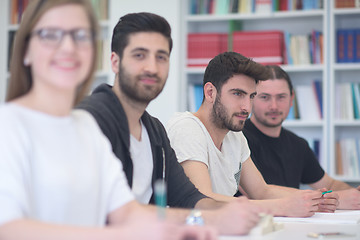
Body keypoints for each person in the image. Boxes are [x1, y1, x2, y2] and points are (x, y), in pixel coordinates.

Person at [0, 1, 217, 239]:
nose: (68, 47)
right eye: (51, 34)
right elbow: (8, 228)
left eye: (81, 36)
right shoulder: (9, 125)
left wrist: (190, 226)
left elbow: (126, 212)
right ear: (25, 50)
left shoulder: (85, 127)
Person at [77, 12, 263, 235]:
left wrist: (233, 211)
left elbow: (187, 198)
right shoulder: (90, 121)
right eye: (139, 55)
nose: (152, 68)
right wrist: (212, 218)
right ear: (115, 62)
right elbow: (111, 213)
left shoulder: (154, 131)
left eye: (161, 57)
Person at [166, 52, 339, 218]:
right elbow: (202, 199)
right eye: (237, 94)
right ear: (210, 92)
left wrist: (312, 199)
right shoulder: (186, 128)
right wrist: (282, 206)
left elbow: (261, 191)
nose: (246, 108)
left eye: (251, 96)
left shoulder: (235, 136)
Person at [242, 64, 360, 210]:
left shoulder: (298, 145)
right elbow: (259, 192)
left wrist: (354, 193)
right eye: (265, 97)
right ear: (251, 98)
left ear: (292, 99)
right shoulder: (238, 139)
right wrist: (334, 199)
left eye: (281, 97)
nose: (274, 106)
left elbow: (329, 185)